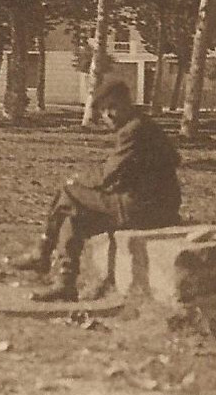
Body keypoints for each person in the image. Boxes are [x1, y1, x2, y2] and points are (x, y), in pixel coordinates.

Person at [11, 78, 182, 302]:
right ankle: (65, 283)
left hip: (143, 208)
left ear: (127, 102)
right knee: (74, 218)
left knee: (69, 190)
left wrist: (78, 179)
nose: (108, 115)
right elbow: (156, 164)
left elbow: (106, 176)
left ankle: (42, 251)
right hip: (156, 207)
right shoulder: (143, 125)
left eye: (113, 106)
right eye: (102, 111)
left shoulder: (134, 130)